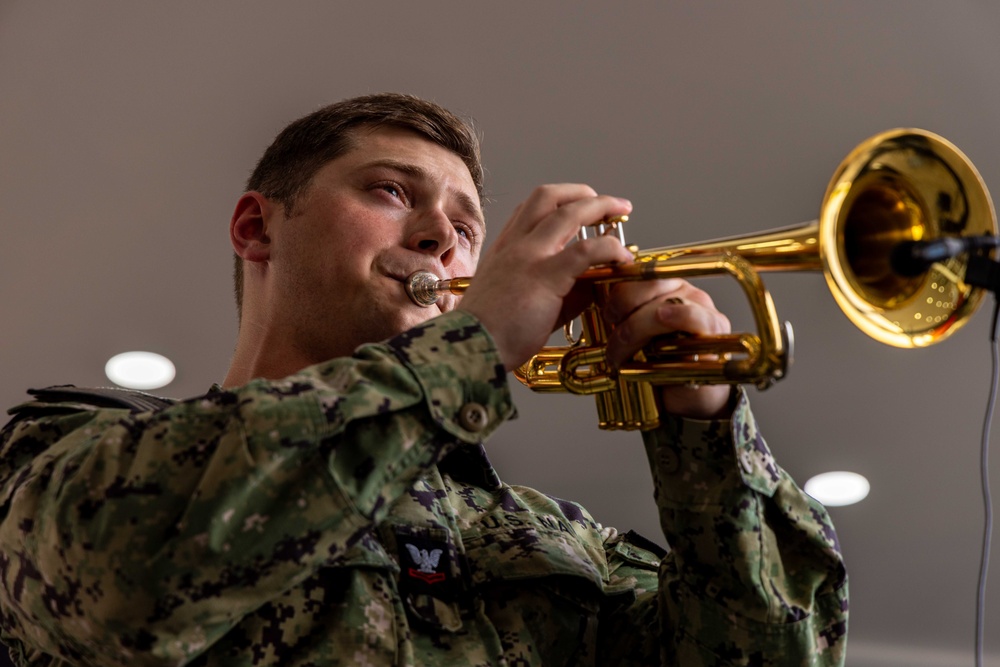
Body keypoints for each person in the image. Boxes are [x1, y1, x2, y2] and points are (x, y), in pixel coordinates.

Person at [0, 93, 847, 666]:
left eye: (469, 228)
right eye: (391, 190)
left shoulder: (555, 537)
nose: (443, 234)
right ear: (258, 227)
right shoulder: (73, 447)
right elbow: (122, 586)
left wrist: (703, 424)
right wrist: (476, 341)